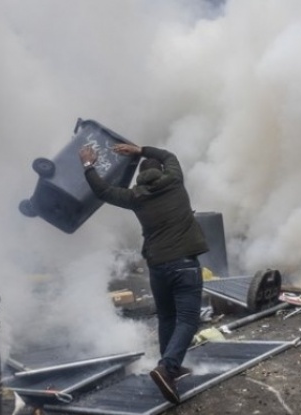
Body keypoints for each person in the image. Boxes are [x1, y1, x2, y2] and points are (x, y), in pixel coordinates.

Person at [79, 142, 209, 404]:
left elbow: (102, 191)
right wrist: (140, 150)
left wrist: (88, 164)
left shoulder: (135, 196)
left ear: (140, 177)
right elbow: (169, 154)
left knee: (167, 317)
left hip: (158, 267)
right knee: (187, 319)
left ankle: (168, 366)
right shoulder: (174, 180)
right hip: (184, 264)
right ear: (161, 170)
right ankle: (168, 368)